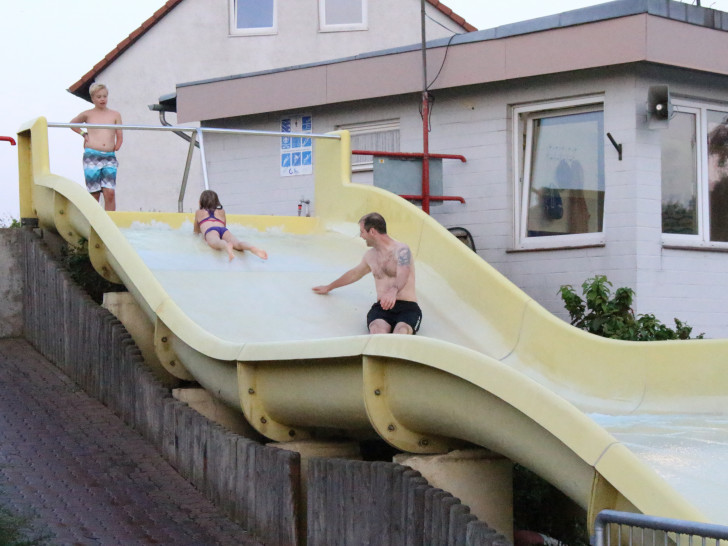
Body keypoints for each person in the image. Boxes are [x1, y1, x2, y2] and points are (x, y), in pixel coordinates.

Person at [312, 212, 421, 335]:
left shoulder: (402, 250)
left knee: (401, 331)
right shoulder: (370, 256)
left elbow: (404, 272)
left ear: (372, 231)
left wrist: (393, 290)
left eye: (362, 231)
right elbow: (355, 274)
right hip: (382, 308)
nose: (361, 236)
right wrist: (329, 286)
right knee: (377, 331)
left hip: (407, 307)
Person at [70, 83, 123, 211]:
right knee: (94, 193)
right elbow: (72, 124)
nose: (102, 99)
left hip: (109, 156)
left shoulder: (115, 114)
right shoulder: (88, 114)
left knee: (109, 192)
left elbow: (119, 133)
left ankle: (111, 222)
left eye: (104, 96)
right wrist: (83, 134)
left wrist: (118, 143)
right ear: (93, 98)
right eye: (99, 97)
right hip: (92, 155)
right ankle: (93, 223)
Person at [193, 190, 268, 262]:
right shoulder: (221, 211)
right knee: (238, 244)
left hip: (210, 230)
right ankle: (251, 248)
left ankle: (226, 246)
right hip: (223, 230)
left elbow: (196, 231)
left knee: (216, 242)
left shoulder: (199, 212)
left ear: (201, 201)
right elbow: (224, 226)